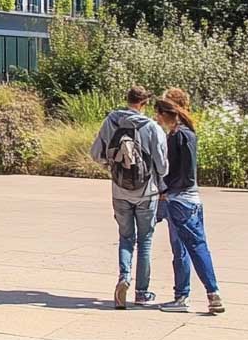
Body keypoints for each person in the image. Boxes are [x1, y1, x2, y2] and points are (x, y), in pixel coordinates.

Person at [90, 84, 168, 309]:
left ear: (128, 100)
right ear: (144, 103)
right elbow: (162, 165)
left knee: (126, 238)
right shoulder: (152, 127)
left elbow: (96, 153)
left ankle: (124, 277)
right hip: (147, 192)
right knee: (145, 241)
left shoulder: (111, 121)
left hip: (119, 190)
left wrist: (112, 165)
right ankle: (142, 293)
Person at [155, 90, 224, 314]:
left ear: (167, 113)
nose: (156, 119)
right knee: (195, 246)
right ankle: (199, 294)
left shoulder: (178, 135)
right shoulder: (187, 133)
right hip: (191, 198)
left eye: (158, 114)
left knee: (187, 249)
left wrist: (165, 188)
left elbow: (181, 173)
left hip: (179, 199)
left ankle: (195, 295)